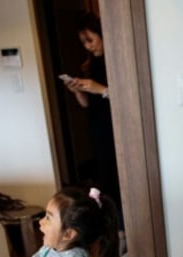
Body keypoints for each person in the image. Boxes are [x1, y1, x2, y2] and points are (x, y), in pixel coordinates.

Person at [60, 13, 123, 236]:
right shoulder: (90, 65)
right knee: (105, 178)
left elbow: (125, 98)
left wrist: (100, 88)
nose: (88, 46)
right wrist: (78, 91)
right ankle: (117, 232)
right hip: (97, 128)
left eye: (90, 40)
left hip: (116, 127)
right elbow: (87, 104)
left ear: (103, 34)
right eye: (84, 43)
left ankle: (124, 229)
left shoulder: (117, 62)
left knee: (119, 177)